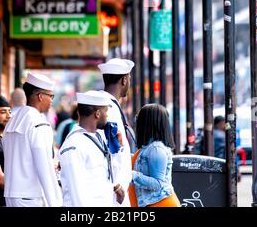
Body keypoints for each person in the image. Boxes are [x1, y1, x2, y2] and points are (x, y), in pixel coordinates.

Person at [2, 72, 62, 207]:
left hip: (11, 194)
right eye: (51, 96)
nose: (52, 100)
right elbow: (44, 167)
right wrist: (55, 202)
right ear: (40, 96)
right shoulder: (38, 123)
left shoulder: (13, 121)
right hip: (30, 196)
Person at [59, 90, 122, 207]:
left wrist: (119, 147)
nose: (107, 116)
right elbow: (77, 195)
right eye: (106, 111)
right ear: (97, 114)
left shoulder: (98, 136)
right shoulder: (74, 145)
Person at [98, 57, 136, 207]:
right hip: (114, 193)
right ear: (124, 80)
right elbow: (108, 151)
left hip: (114, 189)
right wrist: (116, 185)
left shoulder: (106, 104)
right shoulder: (109, 109)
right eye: (129, 78)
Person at [130, 104, 181, 207]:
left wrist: (130, 174)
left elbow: (158, 184)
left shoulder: (156, 149)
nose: (136, 122)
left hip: (160, 204)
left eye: (139, 118)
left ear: (147, 122)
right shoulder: (148, 147)